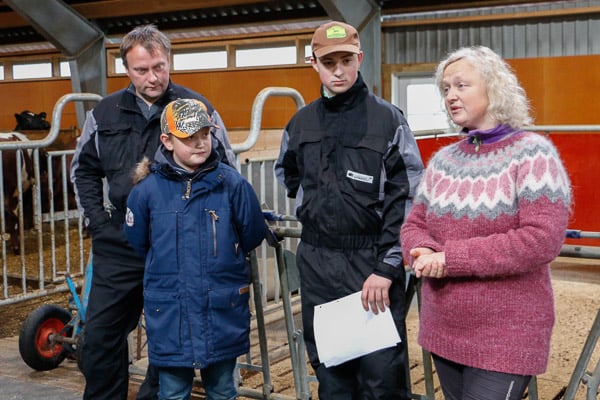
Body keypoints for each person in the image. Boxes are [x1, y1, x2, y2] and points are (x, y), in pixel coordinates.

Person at [70, 24, 235, 400]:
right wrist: (97, 220)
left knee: (170, 338)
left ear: (168, 61)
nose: (152, 77)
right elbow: (83, 169)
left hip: (177, 243)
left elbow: (225, 169)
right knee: (101, 337)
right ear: (126, 69)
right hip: (118, 242)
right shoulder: (105, 113)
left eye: (159, 67)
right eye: (142, 70)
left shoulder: (196, 108)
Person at [400, 45, 572, 400]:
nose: (451, 96)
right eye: (446, 88)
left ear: (494, 88)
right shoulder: (445, 160)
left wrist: (450, 259)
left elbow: (540, 239)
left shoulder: (533, 154)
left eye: (462, 85)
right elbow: (415, 222)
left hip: (505, 334)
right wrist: (421, 248)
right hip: (445, 328)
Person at [275, 21, 424, 399]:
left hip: (371, 263)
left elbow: (407, 196)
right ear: (315, 64)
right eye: (329, 62)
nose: (338, 70)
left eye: (345, 60)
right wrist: (319, 204)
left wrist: (388, 267)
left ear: (359, 58)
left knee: (381, 376)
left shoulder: (388, 120)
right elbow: (286, 171)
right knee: (332, 373)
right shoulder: (300, 122)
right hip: (319, 261)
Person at [124, 98, 266, 400]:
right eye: (189, 137)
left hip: (221, 309)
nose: (200, 143)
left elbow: (252, 233)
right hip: (171, 311)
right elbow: (138, 242)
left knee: (223, 389)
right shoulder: (147, 192)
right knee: (173, 392)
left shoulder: (232, 185)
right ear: (168, 141)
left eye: (204, 134)